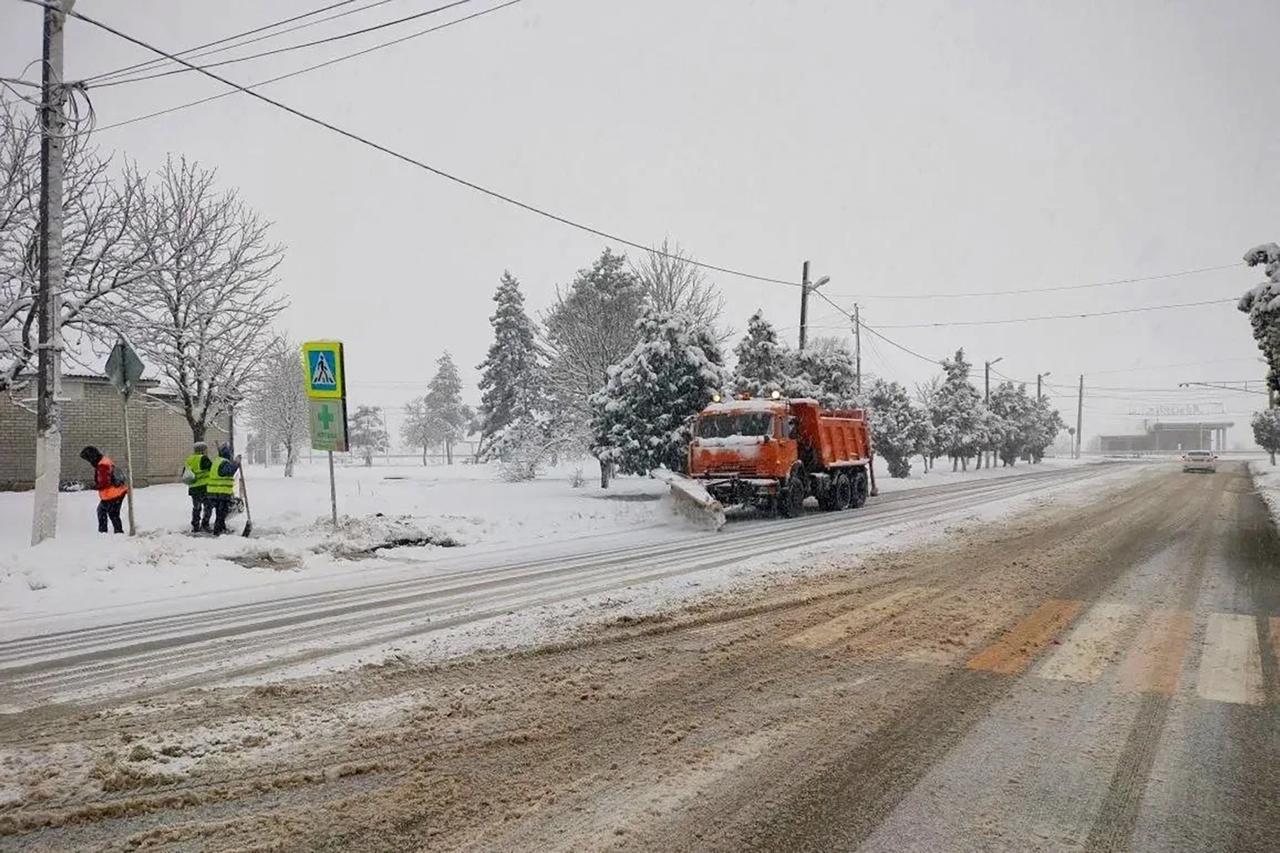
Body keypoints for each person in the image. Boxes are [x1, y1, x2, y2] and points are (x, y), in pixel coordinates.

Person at [79, 446, 128, 534]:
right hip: (117, 491)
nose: (88, 461)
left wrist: (92, 486)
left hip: (113, 494)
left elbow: (104, 484)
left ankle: (114, 533)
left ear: (91, 457)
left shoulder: (102, 465)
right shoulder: (104, 460)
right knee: (104, 511)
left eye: (87, 459)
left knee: (111, 514)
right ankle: (107, 532)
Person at [205, 443, 242, 536]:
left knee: (220, 512)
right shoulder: (224, 462)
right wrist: (236, 463)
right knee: (221, 513)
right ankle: (217, 531)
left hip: (214, 491)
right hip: (220, 492)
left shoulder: (217, 461)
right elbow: (228, 472)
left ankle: (222, 528)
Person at [182, 441, 213, 533]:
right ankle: (205, 524)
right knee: (208, 507)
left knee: (196, 507)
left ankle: (195, 525)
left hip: (193, 488)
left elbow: (185, 473)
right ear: (203, 450)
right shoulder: (203, 458)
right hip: (204, 487)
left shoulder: (189, 459)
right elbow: (212, 469)